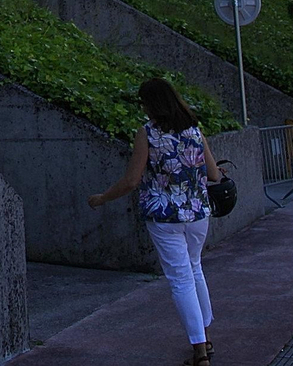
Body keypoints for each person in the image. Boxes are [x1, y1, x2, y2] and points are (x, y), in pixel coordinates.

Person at [89, 78, 224, 366]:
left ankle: (200, 351)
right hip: (197, 214)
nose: (143, 108)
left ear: (151, 104)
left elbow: (131, 180)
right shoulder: (194, 130)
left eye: (143, 103)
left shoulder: (147, 133)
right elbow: (213, 174)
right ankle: (207, 338)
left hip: (164, 217)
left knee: (180, 280)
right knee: (195, 269)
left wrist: (102, 198)